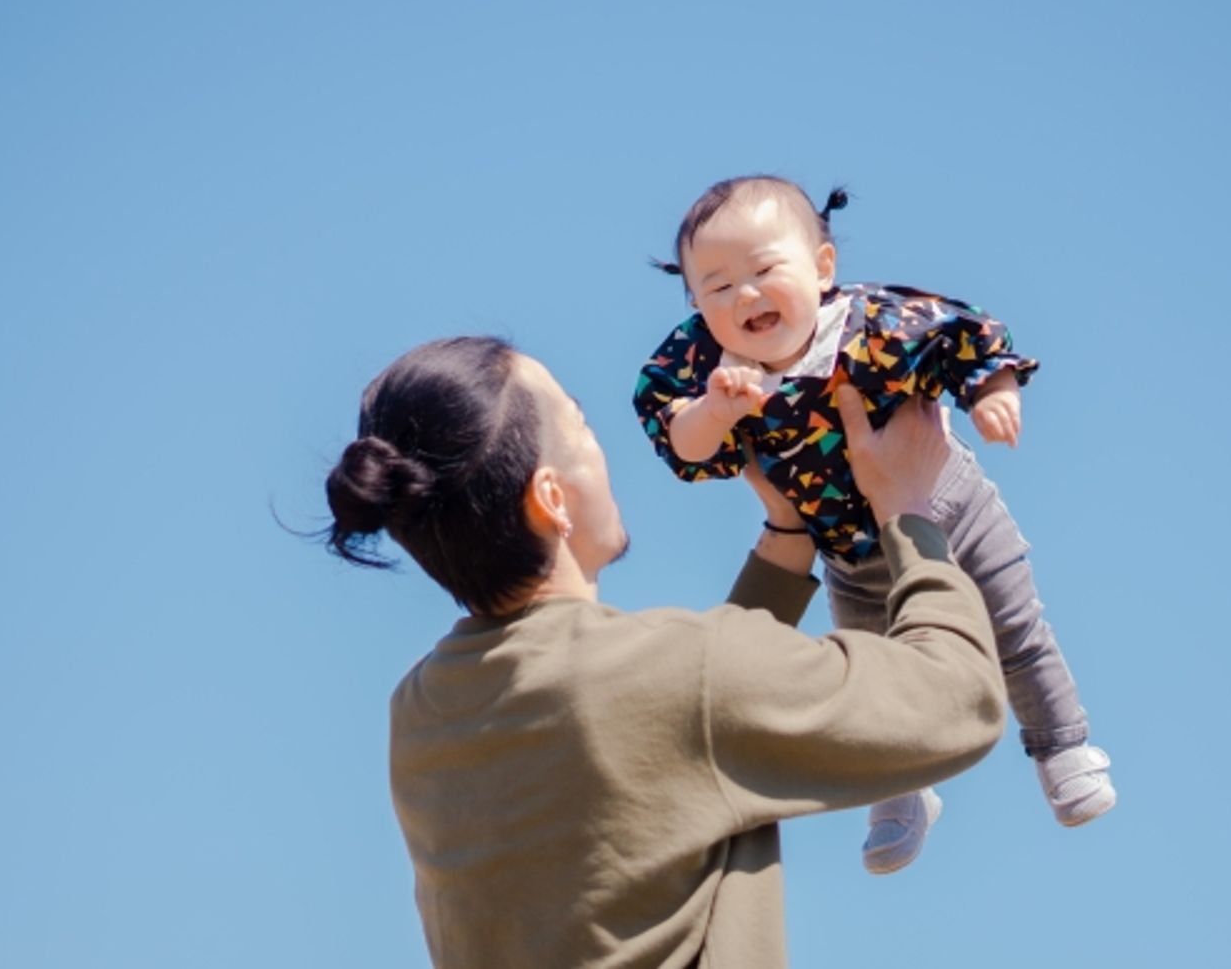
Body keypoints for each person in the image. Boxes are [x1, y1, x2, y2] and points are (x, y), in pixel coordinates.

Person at [324, 335, 1009, 969]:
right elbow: (959, 699)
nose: (600, 444)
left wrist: (787, 534)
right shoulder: (678, 675)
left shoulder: (421, 715)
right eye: (581, 423)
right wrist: (909, 511)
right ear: (552, 498)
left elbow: (666, 747)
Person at [633, 175, 1116, 875]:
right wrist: (714, 411)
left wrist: (992, 394)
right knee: (872, 680)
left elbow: (968, 338)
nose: (744, 295)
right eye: (715, 286)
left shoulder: (874, 320)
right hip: (850, 554)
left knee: (1014, 633)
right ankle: (901, 793)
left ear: (823, 267)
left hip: (954, 507)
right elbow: (681, 440)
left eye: (765, 270)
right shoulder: (706, 365)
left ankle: (1062, 745)